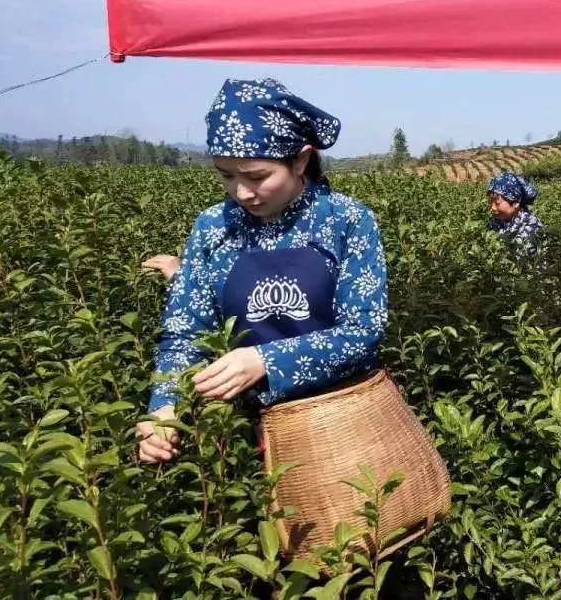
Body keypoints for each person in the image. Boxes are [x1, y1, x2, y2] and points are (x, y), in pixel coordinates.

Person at [136, 78, 388, 464]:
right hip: (237, 436)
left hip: (338, 428)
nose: (242, 193)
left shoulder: (346, 221)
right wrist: (165, 406)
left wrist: (266, 361)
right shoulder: (213, 227)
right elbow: (186, 330)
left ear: (300, 159)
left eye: (256, 177)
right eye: (226, 176)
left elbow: (363, 332)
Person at [486, 171, 544, 261]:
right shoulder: (494, 223)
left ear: (515, 203)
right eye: (490, 202)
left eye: (497, 203)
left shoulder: (531, 228)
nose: (492, 207)